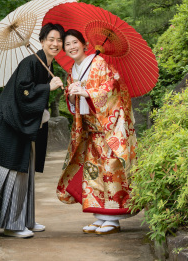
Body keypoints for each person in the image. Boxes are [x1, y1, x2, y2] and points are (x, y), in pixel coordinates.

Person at [0, 23, 65, 238]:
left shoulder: (46, 65)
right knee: (16, 172)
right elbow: (23, 93)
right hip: (9, 126)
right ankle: (12, 225)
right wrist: (46, 88)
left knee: (27, 172)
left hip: (24, 126)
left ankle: (26, 219)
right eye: (51, 39)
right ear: (41, 41)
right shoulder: (30, 62)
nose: (55, 43)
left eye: (59, 40)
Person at [56, 28, 137, 235]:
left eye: (75, 42)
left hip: (108, 128)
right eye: (67, 45)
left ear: (85, 44)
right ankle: (101, 216)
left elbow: (112, 89)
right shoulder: (72, 70)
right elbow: (73, 103)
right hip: (90, 129)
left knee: (111, 170)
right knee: (93, 172)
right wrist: (71, 94)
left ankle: (113, 218)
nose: (72, 47)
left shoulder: (100, 63)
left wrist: (86, 91)